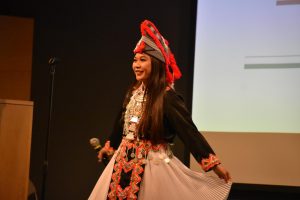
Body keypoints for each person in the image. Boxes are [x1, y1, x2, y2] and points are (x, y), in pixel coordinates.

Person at [89, 20, 232, 200]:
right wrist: (110, 145)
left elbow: (189, 131)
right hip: (121, 164)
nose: (137, 65)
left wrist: (213, 164)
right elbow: (121, 122)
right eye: (135, 60)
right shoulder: (133, 92)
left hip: (152, 167)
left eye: (143, 60)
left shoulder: (166, 97)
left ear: (156, 64)